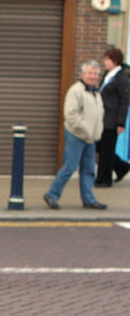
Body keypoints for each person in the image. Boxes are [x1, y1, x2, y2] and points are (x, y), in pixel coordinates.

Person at [43, 61, 107, 209]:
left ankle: (88, 199)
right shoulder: (76, 91)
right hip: (76, 136)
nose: (93, 76)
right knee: (70, 167)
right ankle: (52, 194)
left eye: (96, 74)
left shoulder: (96, 92)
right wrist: (85, 129)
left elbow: (99, 114)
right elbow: (71, 115)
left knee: (89, 169)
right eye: (90, 73)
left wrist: (96, 132)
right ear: (83, 74)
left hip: (91, 138)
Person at [95, 47, 130, 187]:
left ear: (115, 61)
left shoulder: (121, 78)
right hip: (102, 118)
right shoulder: (108, 74)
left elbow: (124, 100)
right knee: (100, 147)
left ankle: (104, 179)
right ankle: (122, 167)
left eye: (107, 59)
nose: (105, 62)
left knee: (107, 151)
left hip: (112, 119)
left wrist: (121, 122)